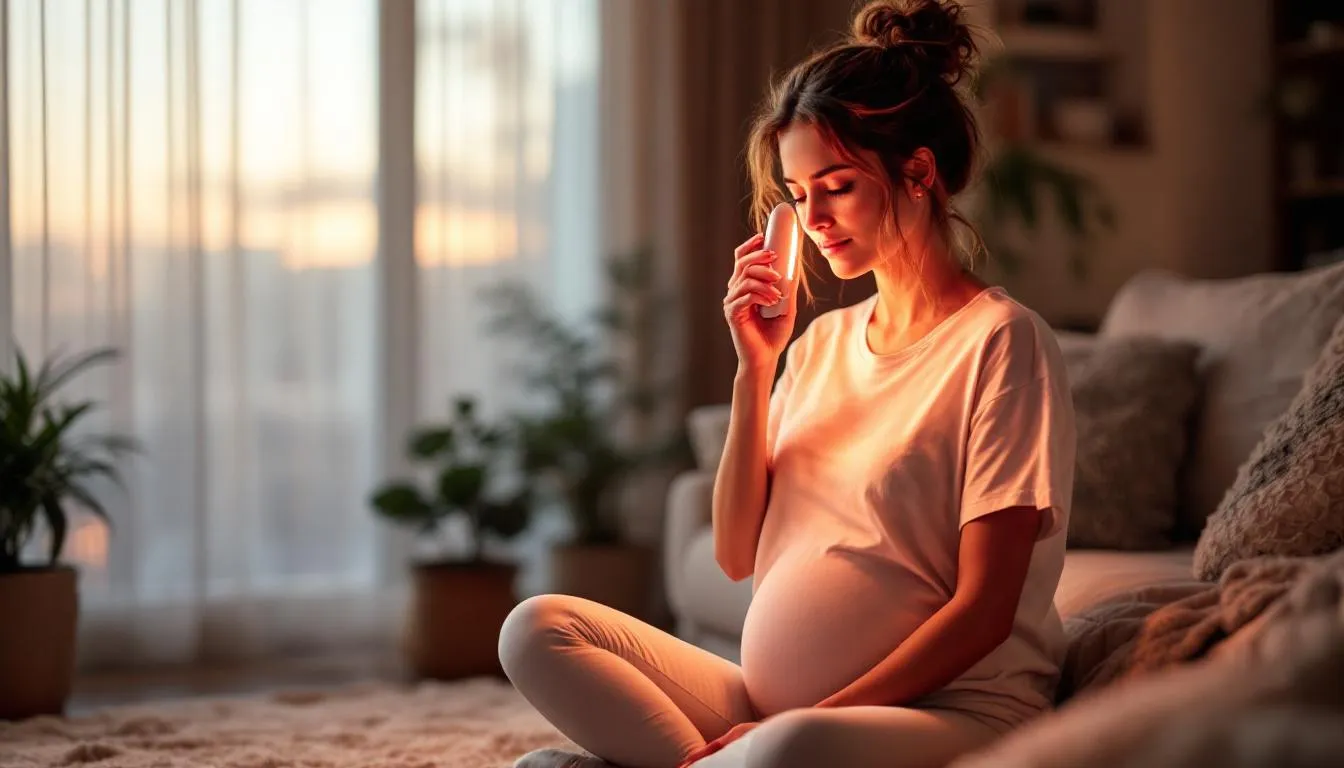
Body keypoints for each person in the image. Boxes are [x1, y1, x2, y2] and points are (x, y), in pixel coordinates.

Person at [498, 1, 1077, 766]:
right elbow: (737, 553)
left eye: (835, 185)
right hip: (780, 708)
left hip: (949, 710)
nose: (816, 219)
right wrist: (755, 364)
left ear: (917, 172)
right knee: (535, 628)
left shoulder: (1002, 343)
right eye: (799, 197)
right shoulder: (817, 346)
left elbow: (984, 611)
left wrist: (796, 724)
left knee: (788, 749)